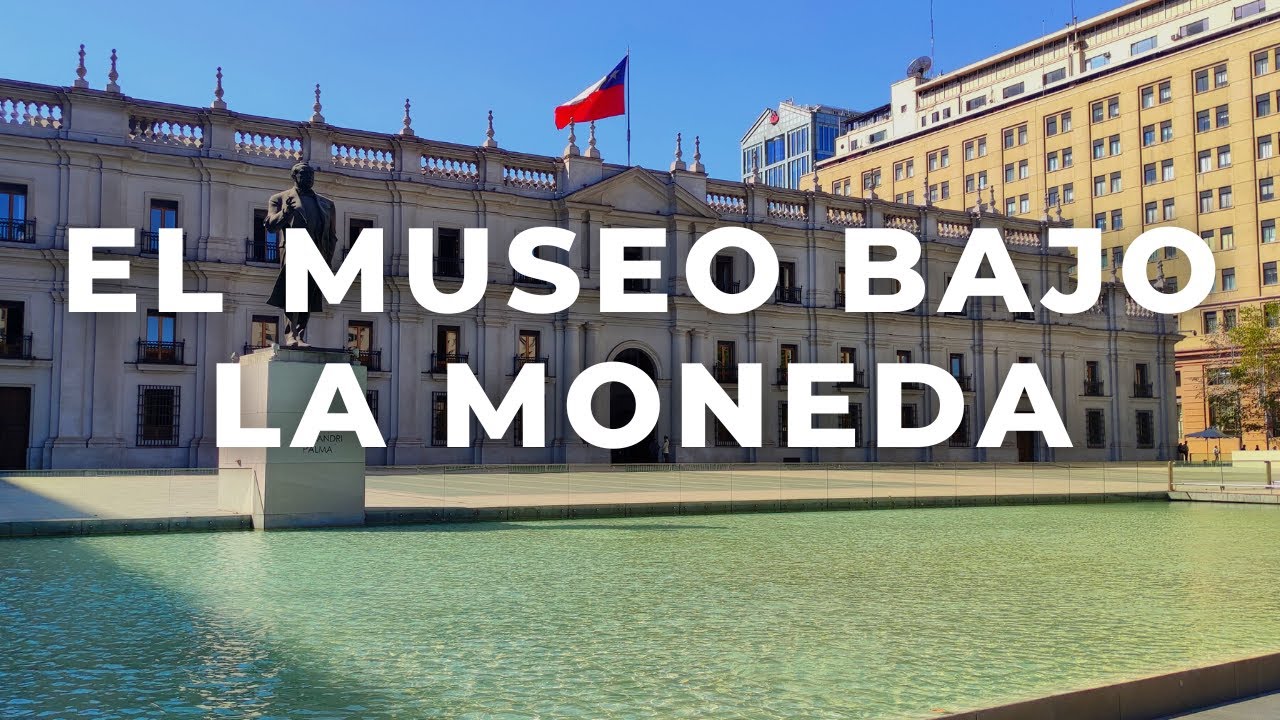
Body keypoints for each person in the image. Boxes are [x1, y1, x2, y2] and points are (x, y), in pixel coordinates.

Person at [264, 162, 339, 347]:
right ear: (294, 176)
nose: (309, 178)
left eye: (311, 175)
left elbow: (331, 236)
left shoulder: (327, 204)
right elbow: (270, 225)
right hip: (295, 251)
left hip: (318, 255)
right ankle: (291, 335)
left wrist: (327, 260)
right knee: (293, 294)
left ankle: (301, 335)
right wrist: (286, 212)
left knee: (308, 297)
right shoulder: (280, 199)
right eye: (304, 174)